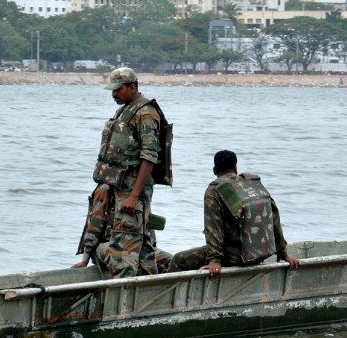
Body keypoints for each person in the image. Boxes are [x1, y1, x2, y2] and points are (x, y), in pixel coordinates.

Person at [169, 150, 301, 276]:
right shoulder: (253, 185)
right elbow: (274, 216)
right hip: (261, 253)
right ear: (235, 168)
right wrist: (284, 254)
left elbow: (213, 229)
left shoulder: (215, 190)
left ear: (214, 170)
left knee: (177, 260)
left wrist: (215, 260)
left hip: (236, 256)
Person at [91, 67, 171, 277]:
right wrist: (109, 189)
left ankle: (125, 295)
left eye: (118, 89)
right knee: (143, 246)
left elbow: (149, 156)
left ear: (132, 87)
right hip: (121, 188)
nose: (113, 94)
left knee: (124, 249)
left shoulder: (145, 113)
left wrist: (134, 196)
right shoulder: (125, 110)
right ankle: (150, 285)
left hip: (133, 191)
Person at [73, 183, 171, 274]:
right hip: (107, 245)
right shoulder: (105, 190)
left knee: (170, 261)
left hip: (134, 245)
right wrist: (85, 261)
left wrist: (150, 251)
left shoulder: (138, 192)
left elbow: (147, 224)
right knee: (126, 259)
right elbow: (94, 228)